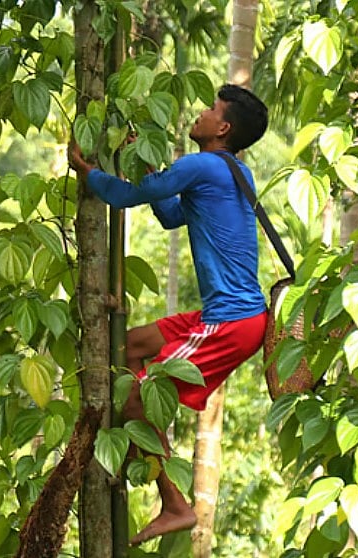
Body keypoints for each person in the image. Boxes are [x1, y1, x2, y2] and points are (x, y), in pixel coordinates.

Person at [68, 84, 269, 545]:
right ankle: (139, 438)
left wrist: (89, 172)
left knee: (140, 395)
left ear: (222, 128)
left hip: (231, 321)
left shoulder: (202, 165)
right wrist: (141, 156)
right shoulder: (235, 172)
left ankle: (175, 503)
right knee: (130, 346)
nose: (199, 113)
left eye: (211, 109)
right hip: (229, 316)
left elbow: (125, 197)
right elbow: (171, 215)